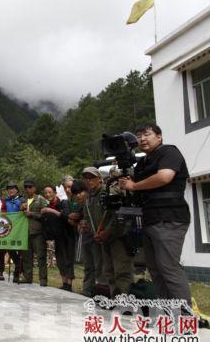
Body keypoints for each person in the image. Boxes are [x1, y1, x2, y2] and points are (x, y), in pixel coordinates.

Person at [119, 123, 192, 306]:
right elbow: (135, 189)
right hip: (149, 219)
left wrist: (134, 185)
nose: (142, 138)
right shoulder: (143, 162)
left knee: (169, 267)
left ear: (159, 137)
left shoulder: (169, 152)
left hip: (170, 217)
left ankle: (184, 316)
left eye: (147, 134)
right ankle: (166, 312)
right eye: (139, 135)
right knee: (155, 269)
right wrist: (126, 182)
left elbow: (164, 177)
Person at [79, 168, 110, 297]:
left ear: (99, 178)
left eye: (91, 177)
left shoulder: (106, 193)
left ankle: (105, 294)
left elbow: (112, 215)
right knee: (90, 265)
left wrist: (106, 232)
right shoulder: (87, 197)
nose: (88, 180)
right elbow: (86, 216)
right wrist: (83, 223)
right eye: (86, 178)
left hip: (107, 236)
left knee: (103, 267)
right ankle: (88, 291)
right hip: (92, 235)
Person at [20, 180, 48, 286]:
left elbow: (45, 215)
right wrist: (20, 209)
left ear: (34, 188)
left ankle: (43, 280)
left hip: (37, 233)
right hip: (25, 232)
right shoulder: (23, 200)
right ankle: (28, 277)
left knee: (41, 256)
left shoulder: (40, 199)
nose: (28, 189)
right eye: (26, 187)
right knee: (27, 257)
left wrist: (31, 214)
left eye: (30, 187)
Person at [4, 182, 23, 283]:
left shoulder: (21, 200)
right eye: (9, 189)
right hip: (8, 229)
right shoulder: (5, 201)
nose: (11, 190)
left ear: (17, 190)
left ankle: (17, 274)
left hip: (20, 228)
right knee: (10, 249)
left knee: (20, 251)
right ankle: (19, 266)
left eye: (13, 189)